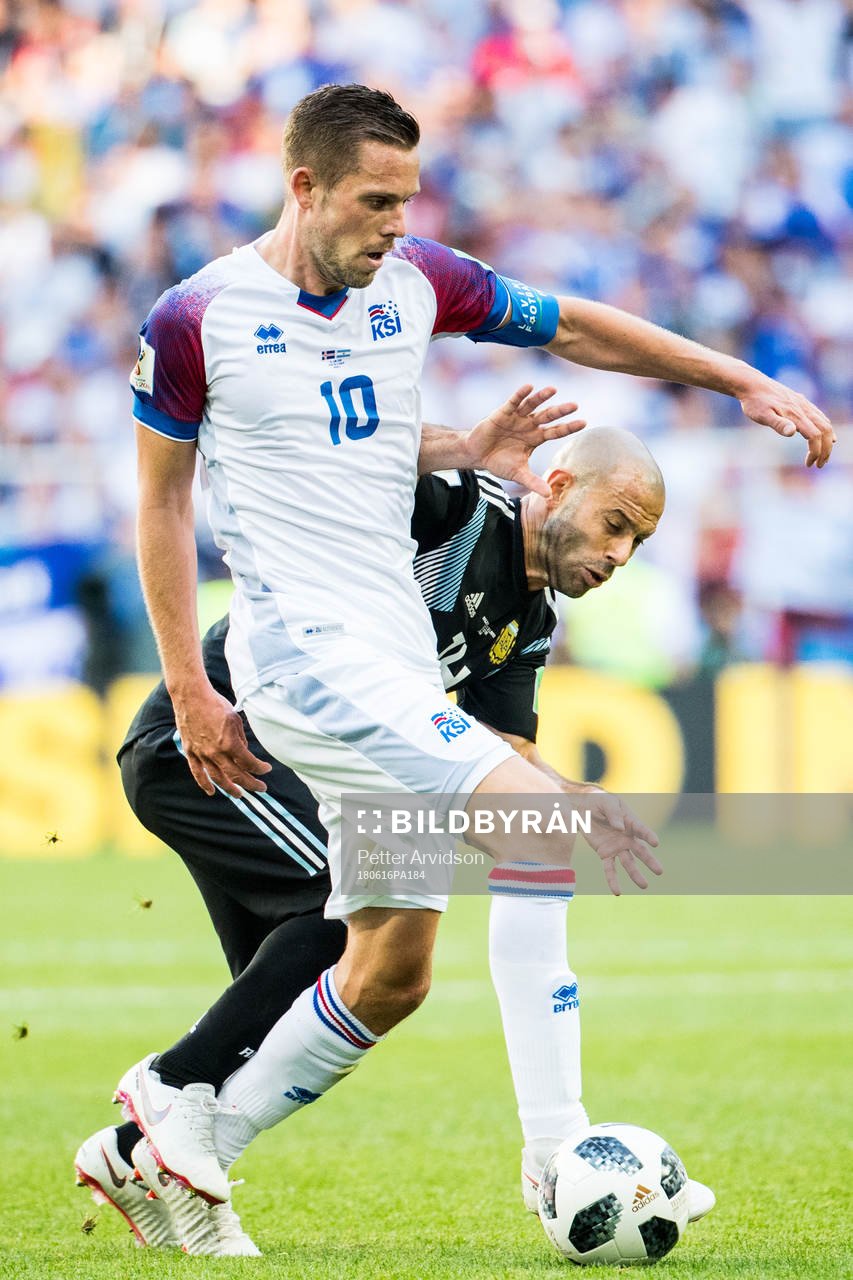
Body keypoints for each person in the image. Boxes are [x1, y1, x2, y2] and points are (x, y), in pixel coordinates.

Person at [110, 83, 833, 1253]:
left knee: (392, 964)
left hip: (383, 666)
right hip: (296, 658)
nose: (399, 223)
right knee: (508, 836)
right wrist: (191, 689)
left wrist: (733, 377)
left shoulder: (413, 287)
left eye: (409, 199)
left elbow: (569, 327)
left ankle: (184, 1146)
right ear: (304, 187)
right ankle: (549, 1149)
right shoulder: (197, 318)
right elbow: (163, 501)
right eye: (375, 200)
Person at [77, 428, 712, 1255]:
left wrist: (577, 797)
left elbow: (502, 748)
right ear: (556, 487)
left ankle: (143, 1155)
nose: (621, 553)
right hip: (220, 744)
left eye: (639, 541)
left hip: (328, 769)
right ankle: (168, 1087)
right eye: (616, 523)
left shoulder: (528, 617)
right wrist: (463, 445)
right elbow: (331, 468)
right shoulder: (454, 510)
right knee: (343, 921)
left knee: (389, 976)